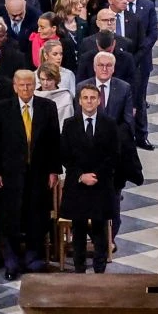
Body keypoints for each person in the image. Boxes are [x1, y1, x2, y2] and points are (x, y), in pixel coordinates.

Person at [0, 69, 63, 279]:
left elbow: (54, 141)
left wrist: (54, 170)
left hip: (39, 173)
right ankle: (11, 262)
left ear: (34, 85)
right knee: (9, 218)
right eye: (22, 85)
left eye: (29, 84)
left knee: (36, 217)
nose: (26, 88)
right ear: (15, 86)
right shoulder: (2, 108)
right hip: (9, 175)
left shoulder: (47, 107)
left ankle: (32, 258)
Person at [59, 84, 127, 273]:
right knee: (78, 229)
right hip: (78, 185)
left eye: (92, 98)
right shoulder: (70, 124)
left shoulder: (109, 124)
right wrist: (81, 176)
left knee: (99, 229)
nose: (89, 101)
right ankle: (79, 268)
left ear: (99, 101)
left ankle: (99, 268)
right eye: (85, 98)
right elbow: (65, 155)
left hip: (100, 184)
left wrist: (95, 175)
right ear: (80, 101)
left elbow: (114, 154)